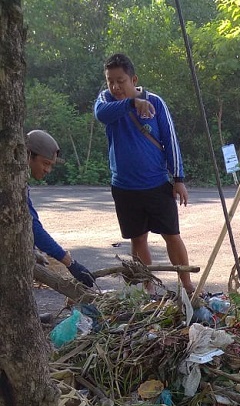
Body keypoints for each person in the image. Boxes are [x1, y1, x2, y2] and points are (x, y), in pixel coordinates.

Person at [94, 53, 193, 296]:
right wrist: (130, 103)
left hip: (157, 183)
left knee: (172, 235)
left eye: (121, 80)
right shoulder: (105, 101)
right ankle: (147, 287)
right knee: (138, 240)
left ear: (133, 79)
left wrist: (178, 179)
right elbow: (101, 114)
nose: (115, 87)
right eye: (110, 81)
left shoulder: (155, 102)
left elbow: (170, 141)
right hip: (125, 187)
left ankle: (187, 284)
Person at [26, 130, 95, 288]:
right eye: (45, 163)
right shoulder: (8, 180)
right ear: (29, 155)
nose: (48, 170)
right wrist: (71, 264)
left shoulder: (19, 180)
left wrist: (32, 249)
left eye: (51, 165)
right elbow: (32, 227)